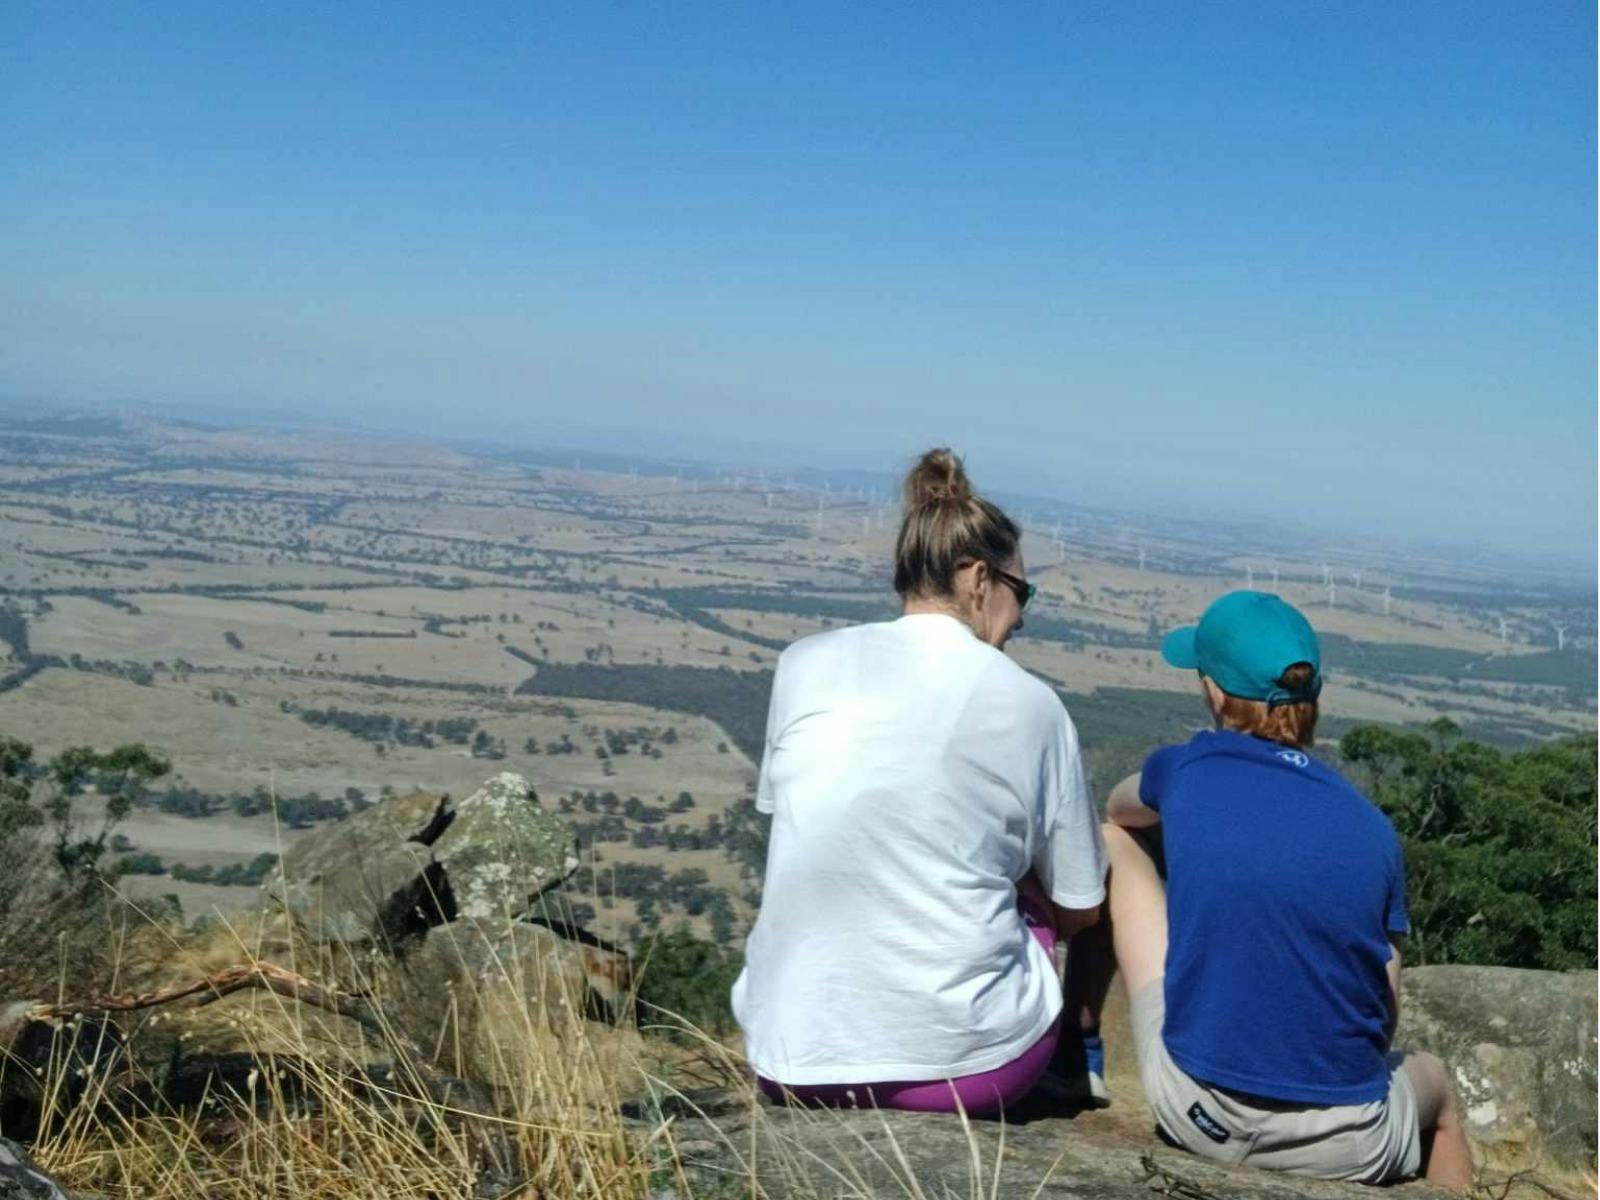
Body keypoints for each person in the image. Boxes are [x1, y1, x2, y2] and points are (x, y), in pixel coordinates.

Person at [730, 448, 1107, 1117]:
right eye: (1022, 595)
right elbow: (1080, 906)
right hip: (967, 1072)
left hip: (786, 1058)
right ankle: (1084, 1068)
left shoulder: (801, 663)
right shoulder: (1032, 705)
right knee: (1034, 899)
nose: (1019, 618)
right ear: (977, 579)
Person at [1074, 590, 1472, 1189]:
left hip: (1198, 1114)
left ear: (1212, 691)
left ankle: (1077, 1045)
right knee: (1437, 1089)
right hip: (1350, 1144)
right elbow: (1382, 1004)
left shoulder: (1182, 769)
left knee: (1114, 840)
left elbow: (1120, 809)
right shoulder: (1372, 828)